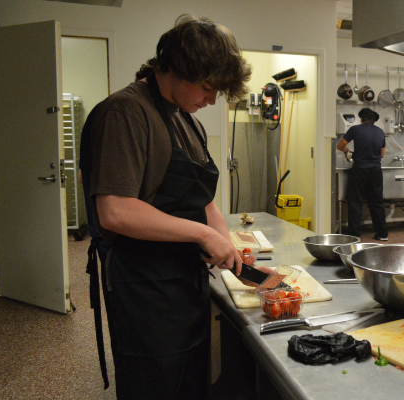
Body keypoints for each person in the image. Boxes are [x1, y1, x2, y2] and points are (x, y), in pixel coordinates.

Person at [86, 15, 255, 398]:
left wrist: (224, 241)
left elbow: (203, 197)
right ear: (177, 70)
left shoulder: (187, 119)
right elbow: (115, 209)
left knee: (191, 381)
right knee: (155, 384)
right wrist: (202, 234)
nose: (213, 100)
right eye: (209, 87)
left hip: (185, 282)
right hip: (145, 286)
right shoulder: (125, 113)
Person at [336, 108, 388, 241]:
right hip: (376, 170)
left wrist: (346, 149)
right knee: (377, 202)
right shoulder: (380, 132)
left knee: (355, 201)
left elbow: (340, 146)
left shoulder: (355, 129)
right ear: (374, 121)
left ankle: (354, 235)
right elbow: (382, 154)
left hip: (360, 169)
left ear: (361, 119)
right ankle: (382, 234)